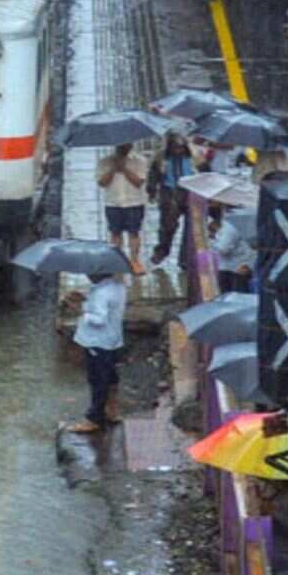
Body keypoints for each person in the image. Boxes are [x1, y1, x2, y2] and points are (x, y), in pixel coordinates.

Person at [67, 271, 128, 434]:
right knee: (111, 375)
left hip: (97, 341)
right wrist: (86, 301)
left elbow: (99, 319)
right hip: (114, 339)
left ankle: (94, 418)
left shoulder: (101, 293)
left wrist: (81, 311)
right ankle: (112, 409)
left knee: (97, 380)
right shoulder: (119, 287)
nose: (87, 274)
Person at [96, 144, 149, 273]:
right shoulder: (104, 161)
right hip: (113, 203)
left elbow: (139, 182)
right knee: (115, 233)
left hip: (134, 202)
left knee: (134, 232)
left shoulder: (140, 161)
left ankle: (134, 261)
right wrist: (113, 169)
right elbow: (102, 183)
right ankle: (117, 261)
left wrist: (124, 169)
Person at [146, 132, 196, 266]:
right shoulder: (161, 156)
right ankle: (162, 251)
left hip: (191, 192)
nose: (178, 150)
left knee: (191, 228)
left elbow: (205, 171)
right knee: (167, 226)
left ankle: (185, 259)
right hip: (169, 192)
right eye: (175, 147)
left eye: (181, 147)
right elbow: (153, 174)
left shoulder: (194, 155)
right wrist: (151, 190)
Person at [210, 208, 255, 293]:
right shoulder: (248, 220)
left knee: (234, 296)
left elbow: (223, 249)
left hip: (236, 267)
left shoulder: (230, 227)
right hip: (234, 266)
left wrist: (211, 241)